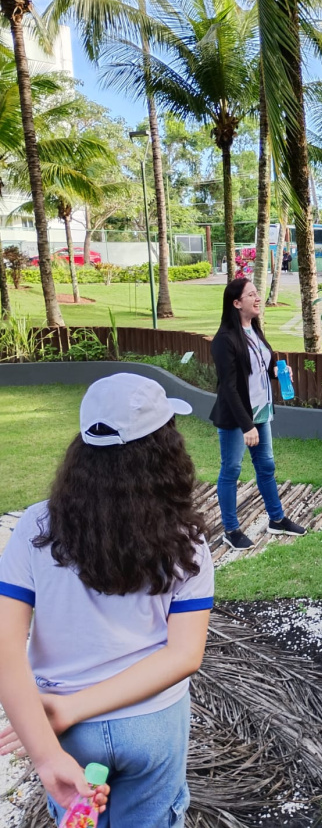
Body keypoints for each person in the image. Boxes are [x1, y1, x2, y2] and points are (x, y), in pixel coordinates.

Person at [0, 373, 214, 826]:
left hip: (63, 727)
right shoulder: (188, 540)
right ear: (165, 450)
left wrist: (46, 748)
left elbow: (5, 649)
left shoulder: (35, 528)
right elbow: (184, 655)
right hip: (151, 722)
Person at [211, 278, 306, 549]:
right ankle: (231, 529)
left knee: (266, 467)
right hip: (237, 418)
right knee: (231, 469)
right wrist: (246, 426)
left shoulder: (254, 330)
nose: (257, 298)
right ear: (236, 303)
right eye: (251, 294)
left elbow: (260, 367)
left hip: (261, 412)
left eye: (257, 293)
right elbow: (228, 388)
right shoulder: (224, 340)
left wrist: (275, 372)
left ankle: (276, 519)